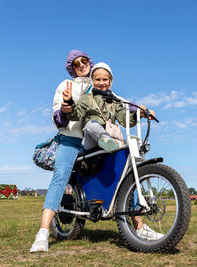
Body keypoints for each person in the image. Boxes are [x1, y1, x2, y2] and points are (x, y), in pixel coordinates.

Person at [63, 62, 164, 240]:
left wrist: (140, 114)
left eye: (105, 79)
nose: (101, 82)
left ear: (110, 81)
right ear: (93, 81)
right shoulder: (88, 98)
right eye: (98, 79)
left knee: (128, 174)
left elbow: (126, 121)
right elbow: (75, 114)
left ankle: (139, 227)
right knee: (92, 125)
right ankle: (106, 140)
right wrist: (68, 102)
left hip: (108, 148)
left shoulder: (114, 101)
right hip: (91, 142)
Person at [30, 50, 94, 253]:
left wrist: (137, 109)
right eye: (76, 64)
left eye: (84, 61)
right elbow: (57, 119)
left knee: (122, 164)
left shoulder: (99, 82)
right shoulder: (66, 86)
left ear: (89, 62)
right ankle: (42, 234)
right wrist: (66, 107)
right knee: (60, 176)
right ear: (72, 69)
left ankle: (138, 225)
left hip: (94, 141)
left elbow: (115, 102)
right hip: (71, 139)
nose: (82, 65)